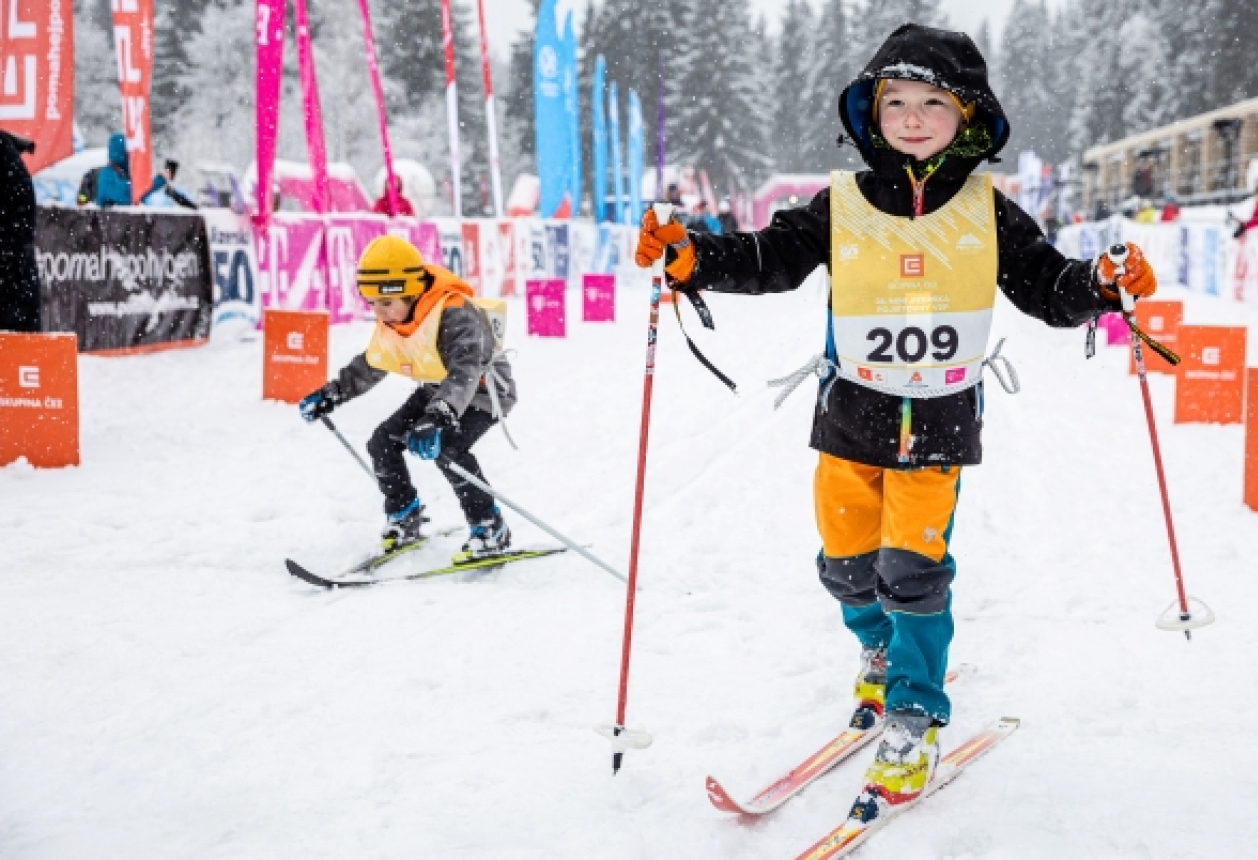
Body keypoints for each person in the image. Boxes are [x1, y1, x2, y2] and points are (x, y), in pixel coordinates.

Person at [633, 23, 1157, 821]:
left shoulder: (990, 210)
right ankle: (877, 649)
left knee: (913, 571)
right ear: (871, 112)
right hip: (849, 418)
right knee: (845, 567)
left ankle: (914, 717)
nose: (912, 117)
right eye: (896, 101)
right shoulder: (841, 204)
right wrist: (692, 259)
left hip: (941, 426)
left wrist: (1102, 282)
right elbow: (771, 258)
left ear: (969, 118)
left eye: (933, 103)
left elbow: (1050, 288)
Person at [297, 235, 517, 562]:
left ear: (413, 291)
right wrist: (333, 394)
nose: (380, 313)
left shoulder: (453, 311)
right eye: (371, 304)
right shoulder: (396, 317)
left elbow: (465, 369)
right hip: (435, 391)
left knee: (449, 451)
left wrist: (439, 416)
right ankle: (405, 514)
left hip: (483, 392)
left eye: (386, 303)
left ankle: (489, 526)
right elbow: (374, 361)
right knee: (382, 442)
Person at [0, 128, 42, 332]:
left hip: (12, 279)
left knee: (18, 351)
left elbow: (22, 221)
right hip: (15, 273)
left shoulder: (6, 156)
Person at [91, 133, 134, 207]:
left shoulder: (127, 172)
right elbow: (124, 197)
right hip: (109, 217)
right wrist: (153, 184)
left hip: (120, 217)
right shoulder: (107, 173)